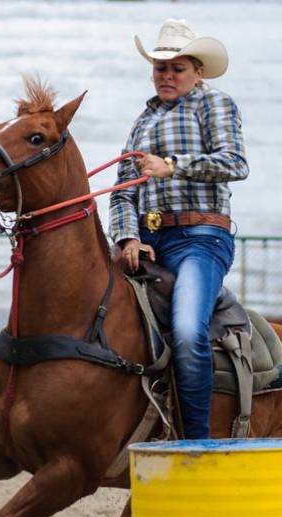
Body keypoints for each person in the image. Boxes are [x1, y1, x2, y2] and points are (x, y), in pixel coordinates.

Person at [109, 18, 249, 439]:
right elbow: (121, 191)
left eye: (177, 68)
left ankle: (197, 443)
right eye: (160, 68)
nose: (167, 76)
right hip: (147, 242)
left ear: (198, 72)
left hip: (200, 240)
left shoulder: (215, 104)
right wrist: (126, 236)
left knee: (188, 333)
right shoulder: (141, 120)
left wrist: (171, 167)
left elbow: (236, 163)